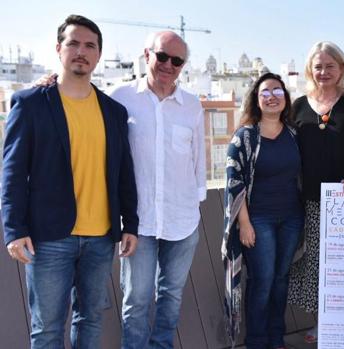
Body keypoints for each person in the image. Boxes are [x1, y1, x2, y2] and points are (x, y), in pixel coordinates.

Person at [1, 15, 138, 348]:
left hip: (101, 238)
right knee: (47, 329)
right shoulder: (31, 103)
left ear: (98, 55)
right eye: (74, 43)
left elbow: (124, 172)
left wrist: (129, 224)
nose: (81, 51)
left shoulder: (113, 111)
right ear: (58, 49)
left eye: (90, 45)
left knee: (90, 320)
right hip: (48, 238)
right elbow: (12, 172)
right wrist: (14, 230)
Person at [109, 31, 206, 349]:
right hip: (138, 223)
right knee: (136, 300)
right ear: (146, 54)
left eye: (177, 60)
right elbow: (77, 101)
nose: (168, 65)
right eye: (162, 56)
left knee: (171, 296)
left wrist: (197, 202)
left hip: (183, 219)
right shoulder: (119, 97)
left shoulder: (192, 106)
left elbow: (198, 160)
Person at [287, 41, 344, 343]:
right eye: (318, 66)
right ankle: (322, 322)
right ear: (310, 70)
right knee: (315, 264)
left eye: (330, 66)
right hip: (308, 201)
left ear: (341, 69)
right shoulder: (298, 106)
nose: (324, 71)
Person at [222, 73, 303, 349]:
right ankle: (256, 340)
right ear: (256, 100)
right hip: (259, 219)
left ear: (285, 98)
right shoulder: (245, 137)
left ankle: (276, 337)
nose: (271, 97)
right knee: (263, 280)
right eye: (265, 92)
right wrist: (244, 222)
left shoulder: (294, 133)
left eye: (277, 91)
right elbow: (234, 181)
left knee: (281, 279)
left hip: (292, 218)